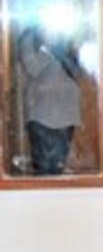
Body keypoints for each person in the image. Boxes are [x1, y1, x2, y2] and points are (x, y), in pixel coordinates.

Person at [16, 27, 81, 175]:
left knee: (59, 167)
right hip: (40, 115)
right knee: (43, 172)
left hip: (66, 114)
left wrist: (61, 49)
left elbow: (76, 71)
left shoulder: (66, 36)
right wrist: (49, 48)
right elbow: (32, 68)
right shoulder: (30, 37)